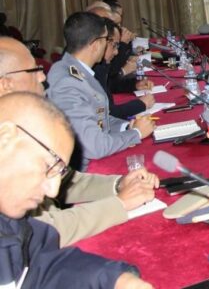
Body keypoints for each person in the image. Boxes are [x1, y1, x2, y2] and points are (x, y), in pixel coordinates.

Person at [0, 36, 158, 247]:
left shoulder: (19, 120)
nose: (42, 76)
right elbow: (44, 231)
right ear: (5, 84)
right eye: (33, 70)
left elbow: (65, 180)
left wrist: (117, 184)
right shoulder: (10, 139)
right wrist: (120, 204)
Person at [0, 92, 153, 288]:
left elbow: (41, 263)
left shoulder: (12, 222)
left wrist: (114, 280)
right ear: (5, 138)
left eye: (59, 172)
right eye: (48, 166)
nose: (53, 191)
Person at [47, 12, 155, 171]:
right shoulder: (67, 83)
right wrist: (136, 133)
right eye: (107, 40)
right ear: (96, 44)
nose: (110, 47)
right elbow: (94, 146)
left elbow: (99, 117)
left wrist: (127, 126)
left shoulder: (75, 69)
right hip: (84, 172)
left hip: (98, 156)